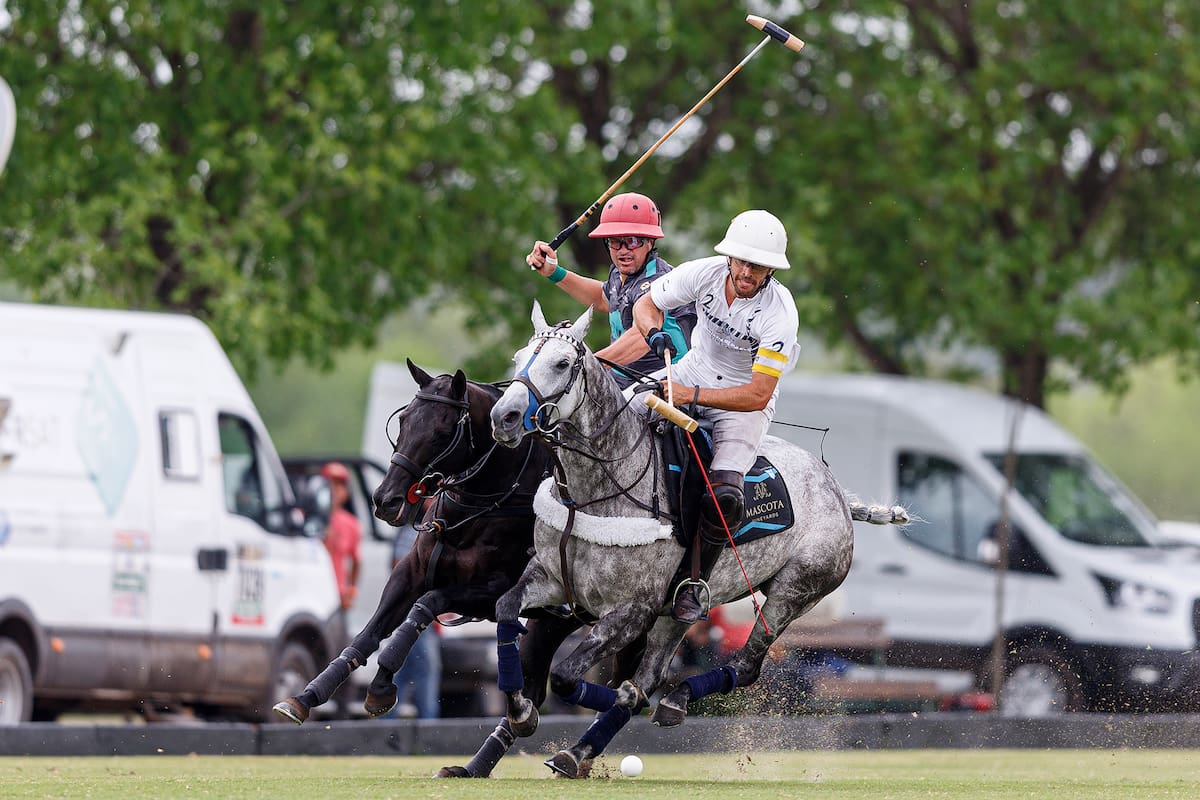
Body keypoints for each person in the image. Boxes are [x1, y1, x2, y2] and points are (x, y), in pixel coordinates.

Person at [632, 209, 801, 624]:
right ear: (729, 258)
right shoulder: (704, 274)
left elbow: (759, 394)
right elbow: (646, 303)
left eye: (757, 266)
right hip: (691, 369)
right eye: (742, 261)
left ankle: (695, 582)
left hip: (741, 402)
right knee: (613, 418)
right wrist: (654, 334)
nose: (746, 272)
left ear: (770, 270)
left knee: (725, 496)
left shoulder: (780, 312)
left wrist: (693, 396)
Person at [526, 192, 696, 388]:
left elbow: (641, 337)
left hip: (668, 385)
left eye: (632, 241)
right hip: (621, 382)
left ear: (650, 242)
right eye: (615, 241)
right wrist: (553, 272)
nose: (623, 250)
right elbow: (602, 298)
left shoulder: (659, 280)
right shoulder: (619, 273)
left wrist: (585, 365)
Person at [387, 523, 442, 719]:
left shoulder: (436, 532)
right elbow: (400, 569)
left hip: (424, 612)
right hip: (415, 611)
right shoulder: (414, 532)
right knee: (427, 668)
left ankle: (384, 721)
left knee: (403, 669)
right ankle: (429, 726)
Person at [321, 462, 362, 620]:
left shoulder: (351, 524)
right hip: (313, 591)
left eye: (339, 486)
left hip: (337, 598)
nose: (335, 491)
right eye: (330, 485)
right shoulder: (306, 518)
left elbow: (357, 561)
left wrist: (350, 591)